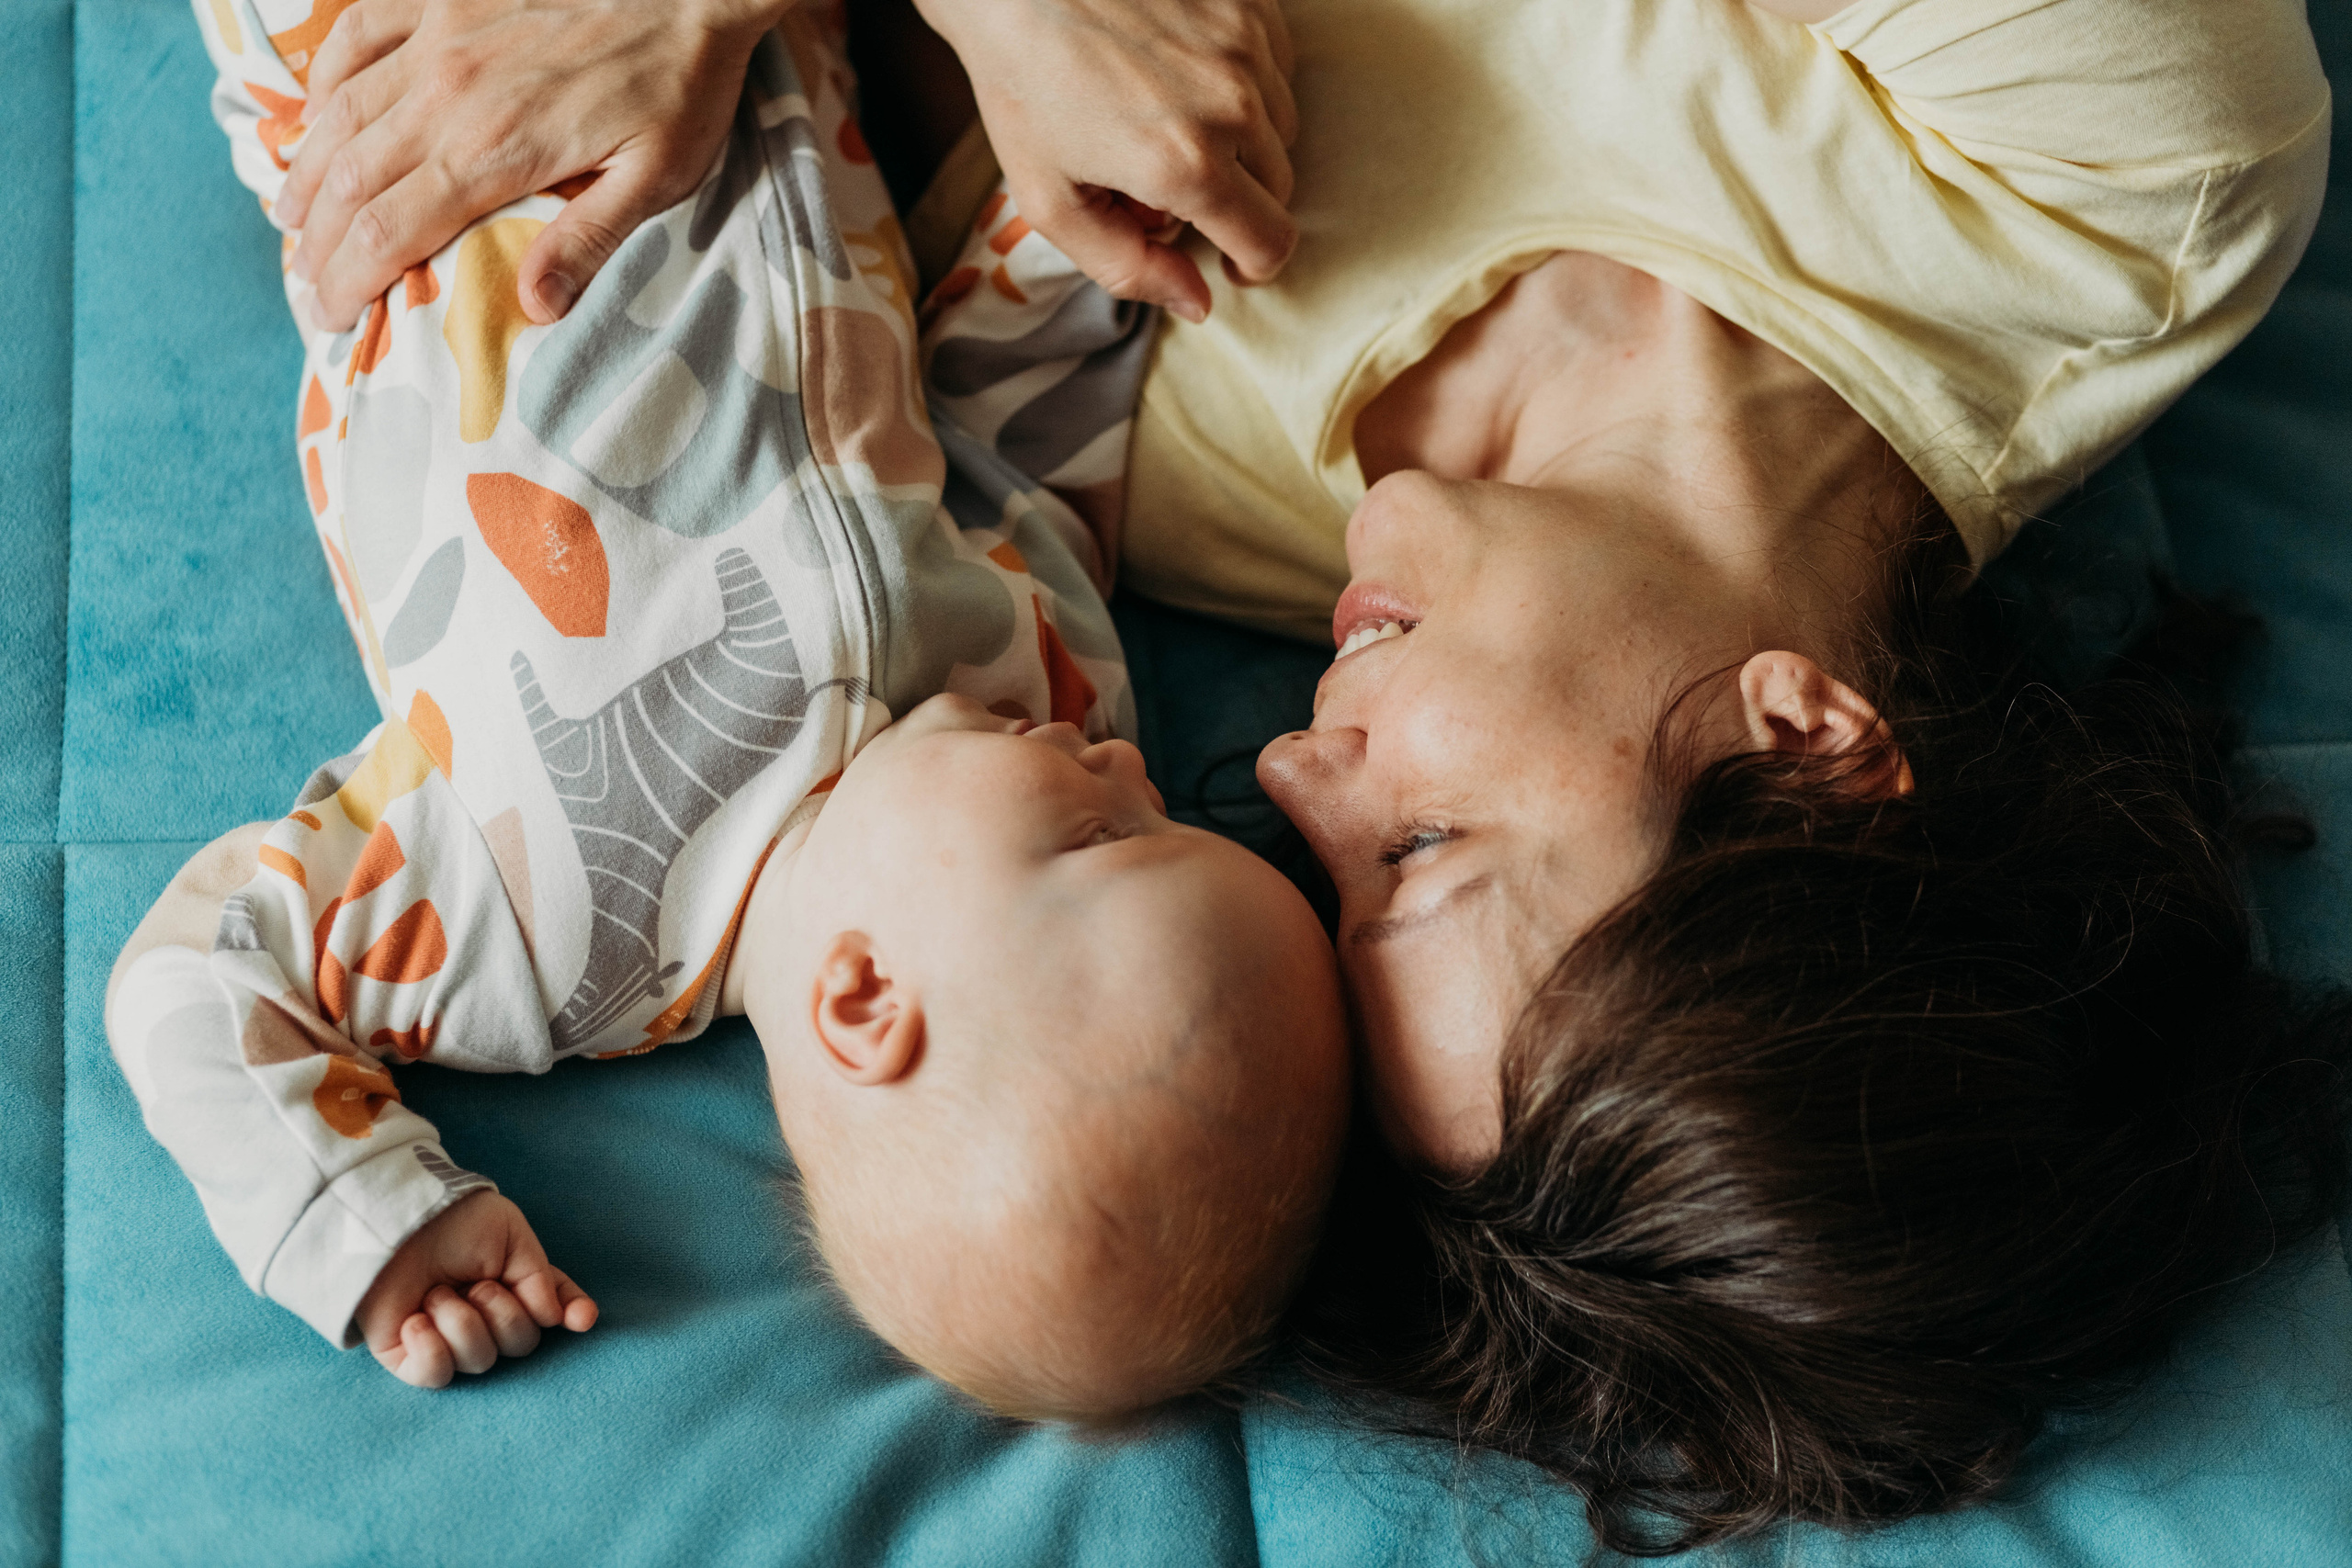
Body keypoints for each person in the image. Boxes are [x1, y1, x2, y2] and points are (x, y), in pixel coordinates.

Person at [247, 0, 2352, 1546]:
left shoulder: (1131, 484)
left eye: (1310, 874)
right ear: (1803, 753)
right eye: (1419, 846)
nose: (1281, 764)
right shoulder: (2104, 193)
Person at [106, 0, 1347, 1416]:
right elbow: (1015, 438)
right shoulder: (1036, 688)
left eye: (1100, 834)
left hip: (402, 70)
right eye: (1165, 810)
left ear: (866, 995)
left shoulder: (539, 922)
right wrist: (1093, 226)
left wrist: (363, 1218)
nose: (1123, 762)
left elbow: (200, 976)